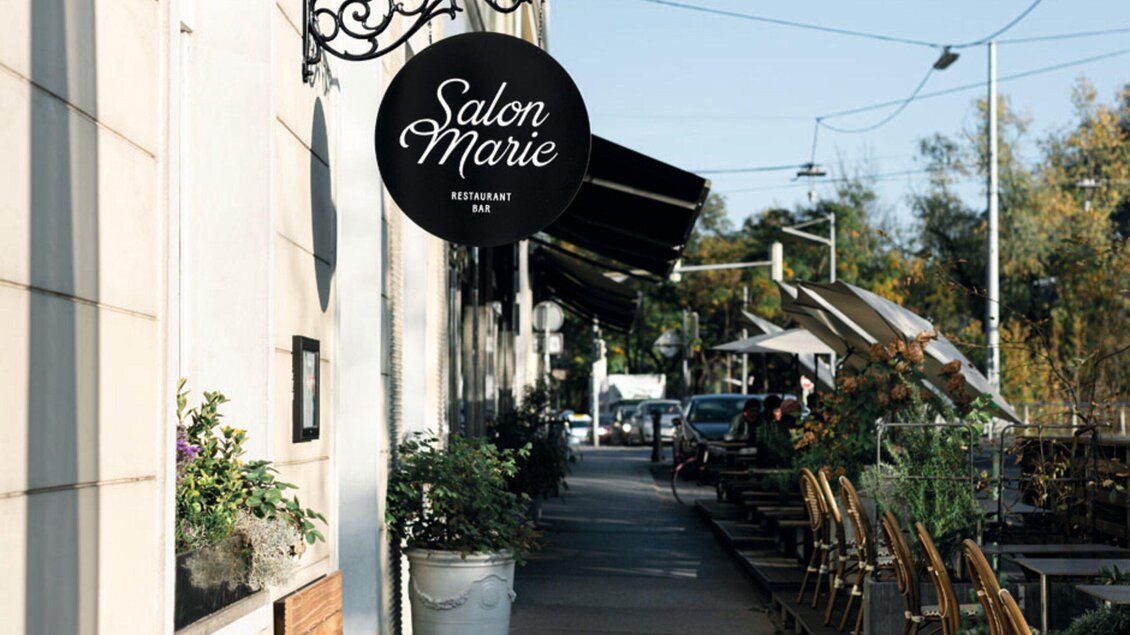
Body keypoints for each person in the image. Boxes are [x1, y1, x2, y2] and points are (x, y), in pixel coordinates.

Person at [756, 394, 797, 467]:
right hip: (768, 459)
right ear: (769, 410)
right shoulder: (762, 422)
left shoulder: (786, 422)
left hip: (784, 457)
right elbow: (763, 440)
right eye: (776, 410)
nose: (779, 413)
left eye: (780, 410)